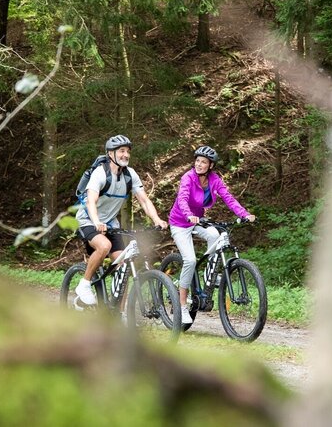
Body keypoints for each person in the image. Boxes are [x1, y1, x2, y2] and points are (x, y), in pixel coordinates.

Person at [74, 134, 168, 306]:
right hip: (88, 219)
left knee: (123, 267)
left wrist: (157, 219)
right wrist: (96, 222)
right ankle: (85, 284)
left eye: (127, 151)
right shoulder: (100, 173)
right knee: (104, 246)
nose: (125, 155)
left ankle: (120, 314)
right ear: (111, 154)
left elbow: (144, 201)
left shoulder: (130, 175)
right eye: (121, 151)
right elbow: (91, 201)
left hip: (110, 224)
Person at [168, 145, 255, 324]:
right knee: (190, 260)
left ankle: (210, 276)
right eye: (197, 161)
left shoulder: (215, 180)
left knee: (217, 236)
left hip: (199, 220)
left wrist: (244, 214)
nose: (199, 164)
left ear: (210, 166)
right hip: (180, 222)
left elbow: (228, 198)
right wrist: (188, 215)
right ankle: (182, 305)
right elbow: (182, 198)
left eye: (204, 162)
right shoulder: (188, 177)